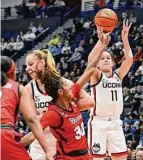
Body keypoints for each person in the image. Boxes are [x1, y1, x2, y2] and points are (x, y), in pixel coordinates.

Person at [21, 29, 108, 159]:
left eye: (31, 64)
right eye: (26, 65)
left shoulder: (64, 87)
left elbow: (88, 72)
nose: (27, 69)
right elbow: (34, 127)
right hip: (44, 142)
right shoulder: (30, 91)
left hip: (64, 143)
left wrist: (102, 46)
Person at [87, 20, 133, 160]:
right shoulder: (96, 75)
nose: (106, 59)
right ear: (98, 64)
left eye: (108, 58)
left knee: (121, 157)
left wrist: (125, 39)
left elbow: (129, 60)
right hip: (98, 123)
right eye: (102, 58)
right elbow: (90, 60)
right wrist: (101, 44)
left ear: (113, 62)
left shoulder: (118, 75)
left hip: (115, 122)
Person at [1, 56, 53, 160]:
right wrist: (47, 150)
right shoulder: (18, 88)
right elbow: (32, 120)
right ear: (12, 73)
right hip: (4, 134)